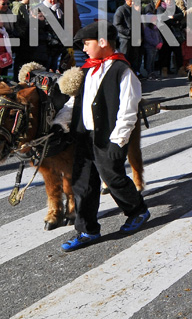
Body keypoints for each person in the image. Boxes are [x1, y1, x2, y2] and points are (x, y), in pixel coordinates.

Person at [59, 22, 150, 252]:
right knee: (83, 183)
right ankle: (87, 229)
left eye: (87, 43)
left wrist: (119, 140)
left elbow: (129, 108)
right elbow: (75, 101)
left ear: (102, 42)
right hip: (84, 135)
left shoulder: (123, 70)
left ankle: (137, 211)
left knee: (114, 178)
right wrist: (60, 121)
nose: (84, 49)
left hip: (108, 136)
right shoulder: (88, 70)